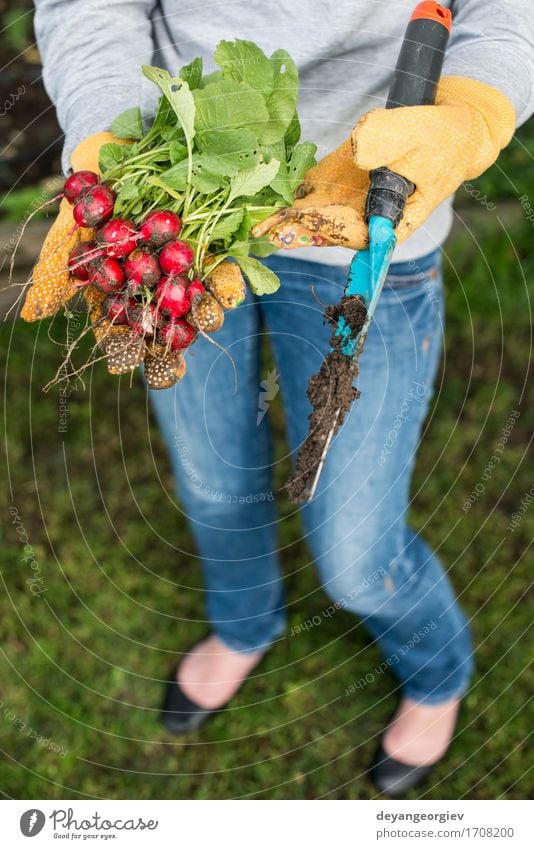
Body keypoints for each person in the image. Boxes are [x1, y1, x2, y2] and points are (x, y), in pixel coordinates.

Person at [29, 0, 533, 795]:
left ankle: (437, 675)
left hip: (370, 207)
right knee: (209, 472)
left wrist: (474, 108)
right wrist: (108, 152)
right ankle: (244, 623)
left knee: (359, 559)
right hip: (184, 223)